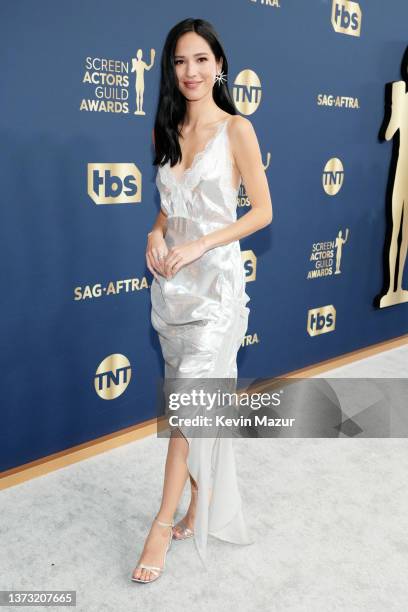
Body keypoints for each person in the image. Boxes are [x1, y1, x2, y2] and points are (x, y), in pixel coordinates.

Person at [131, 17, 273, 584]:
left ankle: (161, 524)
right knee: (190, 412)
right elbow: (169, 209)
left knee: (189, 406)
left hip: (216, 290)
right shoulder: (164, 130)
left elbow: (262, 213)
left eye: (201, 60)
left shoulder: (238, 129)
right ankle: (197, 502)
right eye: (180, 61)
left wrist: (202, 247)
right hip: (171, 292)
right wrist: (154, 235)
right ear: (172, 69)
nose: (190, 72)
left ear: (220, 65)